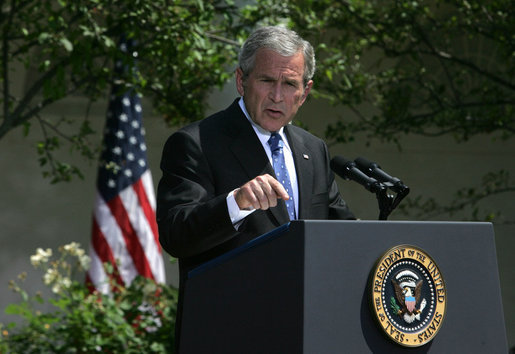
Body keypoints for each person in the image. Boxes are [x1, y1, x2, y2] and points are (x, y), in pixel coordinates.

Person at [156, 25, 355, 350]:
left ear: (304, 93)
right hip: (229, 335)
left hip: (304, 334)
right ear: (241, 80)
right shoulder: (197, 143)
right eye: (266, 80)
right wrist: (235, 203)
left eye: (289, 84)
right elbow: (177, 235)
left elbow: (341, 232)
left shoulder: (313, 149)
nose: (278, 95)